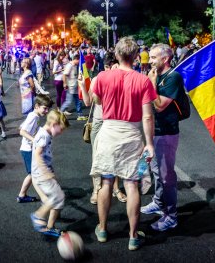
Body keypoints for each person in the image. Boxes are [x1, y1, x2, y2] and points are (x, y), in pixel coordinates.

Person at [90, 36, 156, 251]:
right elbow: (148, 117)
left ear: (117, 55)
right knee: (131, 184)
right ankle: (133, 236)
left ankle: (102, 229)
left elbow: (96, 101)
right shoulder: (143, 80)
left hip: (108, 133)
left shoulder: (102, 77)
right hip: (132, 136)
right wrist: (150, 144)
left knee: (106, 183)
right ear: (136, 57)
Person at [141, 43, 186, 231]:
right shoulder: (156, 75)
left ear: (165, 59)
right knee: (156, 172)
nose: (149, 61)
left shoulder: (172, 77)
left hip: (166, 132)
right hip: (154, 131)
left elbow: (159, 105)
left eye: (153, 58)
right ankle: (159, 203)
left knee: (167, 177)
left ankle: (171, 216)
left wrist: (150, 83)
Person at [78, 53, 128, 205]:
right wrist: (82, 86)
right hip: (100, 123)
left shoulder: (123, 80)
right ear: (106, 67)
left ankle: (116, 188)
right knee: (98, 158)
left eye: (116, 66)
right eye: (109, 67)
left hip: (116, 122)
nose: (113, 69)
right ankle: (96, 189)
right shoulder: (97, 79)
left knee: (116, 156)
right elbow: (87, 103)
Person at [30, 110, 70, 237]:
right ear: (54, 124)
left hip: (42, 172)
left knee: (58, 198)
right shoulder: (44, 136)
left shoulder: (43, 132)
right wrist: (46, 173)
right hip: (42, 174)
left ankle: (50, 226)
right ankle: (38, 216)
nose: (61, 132)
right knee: (57, 197)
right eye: (61, 129)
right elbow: (37, 154)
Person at [17, 94, 53, 203]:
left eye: (48, 109)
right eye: (44, 108)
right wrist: (34, 140)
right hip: (27, 149)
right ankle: (43, 197)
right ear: (37, 106)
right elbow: (22, 131)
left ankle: (22, 195)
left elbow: (22, 127)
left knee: (33, 174)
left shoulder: (34, 116)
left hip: (29, 148)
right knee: (33, 174)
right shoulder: (33, 117)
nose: (46, 111)